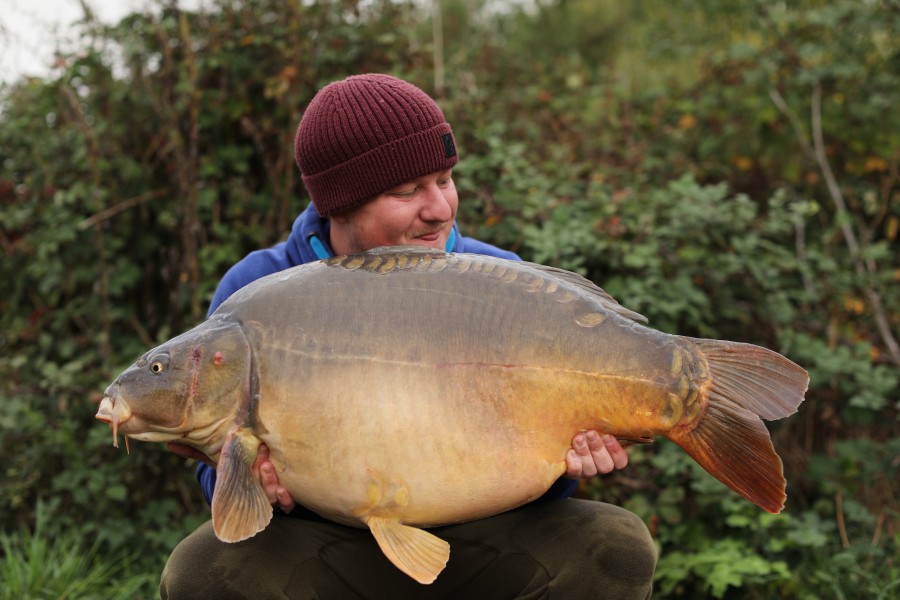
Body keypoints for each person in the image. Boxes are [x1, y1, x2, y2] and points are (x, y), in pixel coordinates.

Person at [160, 74, 657, 599]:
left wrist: (570, 462)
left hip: (477, 537)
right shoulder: (254, 290)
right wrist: (254, 485)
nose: (439, 208)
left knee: (616, 546)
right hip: (324, 540)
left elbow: (541, 489)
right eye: (407, 190)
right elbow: (217, 458)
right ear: (339, 204)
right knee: (200, 570)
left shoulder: (501, 283)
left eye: (444, 179)